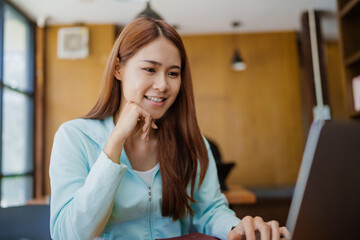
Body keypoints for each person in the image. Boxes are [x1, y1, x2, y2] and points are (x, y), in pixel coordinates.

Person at [49, 16, 290, 240]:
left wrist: (235, 228)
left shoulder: (191, 142)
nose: (163, 85)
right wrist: (116, 141)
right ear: (118, 69)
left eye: (173, 73)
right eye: (150, 69)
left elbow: (211, 209)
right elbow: (69, 234)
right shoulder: (74, 137)